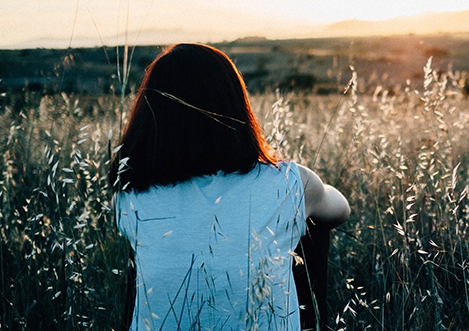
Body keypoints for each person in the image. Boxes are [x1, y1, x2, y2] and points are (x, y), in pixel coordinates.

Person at [110, 43, 350, 331]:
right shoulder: (288, 183)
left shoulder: (130, 192)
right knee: (310, 227)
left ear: (152, 114)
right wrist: (311, 192)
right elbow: (340, 210)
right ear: (235, 105)